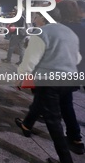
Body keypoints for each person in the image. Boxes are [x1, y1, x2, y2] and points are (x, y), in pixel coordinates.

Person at [15, 8, 82, 163]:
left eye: (37, 16)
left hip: (49, 80)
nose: (35, 18)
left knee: (53, 120)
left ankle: (65, 159)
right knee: (42, 102)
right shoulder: (69, 32)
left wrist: (21, 76)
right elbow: (77, 58)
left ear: (44, 19)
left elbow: (30, 60)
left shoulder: (41, 33)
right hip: (69, 78)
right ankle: (26, 125)